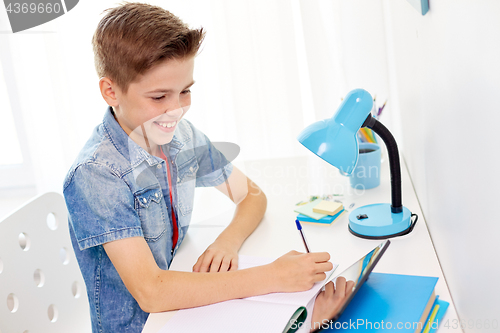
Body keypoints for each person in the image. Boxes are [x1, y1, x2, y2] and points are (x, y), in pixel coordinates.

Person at [63, 3, 350, 332]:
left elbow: (252, 195)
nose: (176, 110)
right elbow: (152, 293)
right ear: (111, 91)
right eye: (159, 97)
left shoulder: (180, 136)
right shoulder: (96, 173)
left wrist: (227, 242)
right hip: (146, 324)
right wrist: (273, 276)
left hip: (188, 306)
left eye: (185, 91)